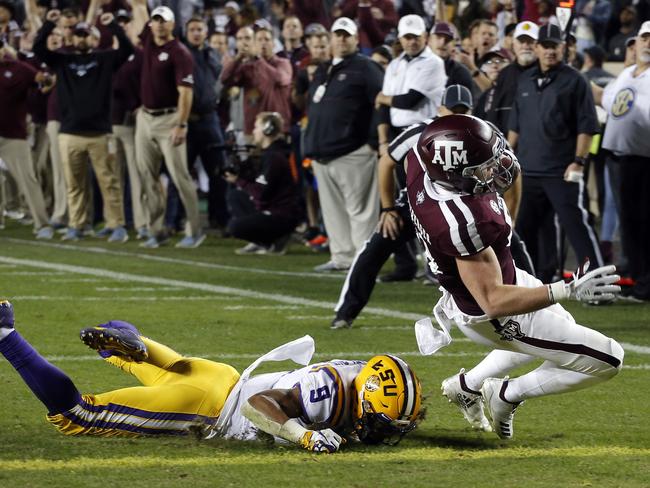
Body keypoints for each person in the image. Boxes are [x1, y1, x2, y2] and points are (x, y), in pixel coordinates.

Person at [407, 114, 623, 439]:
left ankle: (467, 386)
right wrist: (567, 288)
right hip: (492, 312)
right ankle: (507, 394)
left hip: (505, 278)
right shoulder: (463, 222)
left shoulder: (422, 161)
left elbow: (502, 169)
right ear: (454, 174)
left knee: (557, 335)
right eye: (481, 168)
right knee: (607, 358)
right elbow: (493, 300)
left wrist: (504, 226)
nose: (493, 170)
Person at [0, 300, 422, 452]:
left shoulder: (358, 375)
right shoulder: (325, 396)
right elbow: (262, 406)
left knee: (128, 353)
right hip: (213, 409)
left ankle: (131, 339)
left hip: (218, 377)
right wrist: (303, 435)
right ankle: (7, 335)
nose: (386, 431)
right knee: (78, 415)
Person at [331, 84, 474, 330]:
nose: (457, 115)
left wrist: (507, 215)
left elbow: (511, 171)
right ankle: (345, 313)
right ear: (440, 109)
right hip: (415, 204)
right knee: (372, 252)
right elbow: (386, 162)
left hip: (461, 206)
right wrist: (387, 209)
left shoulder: (480, 133)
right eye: (453, 110)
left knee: (509, 243)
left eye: (463, 110)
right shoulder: (419, 132)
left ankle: (532, 302)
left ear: (472, 111)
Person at [508, 23, 602, 283]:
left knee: (577, 227)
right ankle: (526, 283)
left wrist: (578, 162)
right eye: (546, 46)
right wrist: (504, 159)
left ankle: (596, 283)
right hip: (527, 170)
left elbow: (587, 125)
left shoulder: (575, 80)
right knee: (521, 229)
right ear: (537, 48)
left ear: (563, 48)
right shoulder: (524, 79)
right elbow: (515, 125)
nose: (550, 51)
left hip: (561, 170)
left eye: (555, 46)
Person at [34, 11, 132, 243]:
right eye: (77, 35)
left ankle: (116, 225)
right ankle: (77, 225)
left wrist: (114, 27)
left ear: (94, 39)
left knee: (109, 183)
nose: (81, 39)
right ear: (71, 38)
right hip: (69, 133)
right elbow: (39, 48)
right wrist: (49, 23)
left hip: (100, 133)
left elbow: (127, 50)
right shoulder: (62, 60)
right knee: (74, 184)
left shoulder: (106, 59)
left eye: (85, 35)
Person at [303, 17, 384, 272]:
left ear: (355, 38)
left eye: (346, 35)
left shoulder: (367, 67)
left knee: (360, 212)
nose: (341, 39)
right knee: (333, 211)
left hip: (353, 151)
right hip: (323, 153)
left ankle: (363, 262)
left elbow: (380, 104)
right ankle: (341, 257)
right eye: (337, 34)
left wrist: (373, 143)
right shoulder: (323, 69)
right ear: (330, 38)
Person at [130, 2, 205, 249]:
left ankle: (194, 231)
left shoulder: (180, 52)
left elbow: (186, 93)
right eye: (156, 20)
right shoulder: (150, 42)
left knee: (180, 176)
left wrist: (181, 124)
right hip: (145, 118)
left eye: (164, 20)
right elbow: (138, 7)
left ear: (173, 24)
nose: (159, 24)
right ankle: (157, 230)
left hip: (170, 119)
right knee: (147, 176)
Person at [600, 21, 650, 302]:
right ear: (636, 43)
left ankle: (645, 285)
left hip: (643, 160)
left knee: (642, 223)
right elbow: (609, 101)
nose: (649, 43)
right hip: (618, 158)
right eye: (645, 38)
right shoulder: (628, 73)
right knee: (629, 224)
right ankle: (639, 279)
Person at [224, 112, 303, 255]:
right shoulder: (271, 153)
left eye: (256, 127)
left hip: (282, 214)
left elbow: (261, 193)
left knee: (235, 227)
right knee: (235, 196)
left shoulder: (274, 156)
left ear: (267, 130)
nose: (253, 131)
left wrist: (238, 180)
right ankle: (261, 241)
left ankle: (272, 240)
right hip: (276, 208)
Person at [0, 38, 54, 240]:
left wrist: (45, 83)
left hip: (13, 135)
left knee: (28, 179)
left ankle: (42, 224)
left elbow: (44, 80)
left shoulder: (18, 69)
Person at [474, 21, 538, 134]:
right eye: (521, 41)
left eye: (530, 41)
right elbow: (494, 112)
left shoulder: (545, 74)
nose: (525, 46)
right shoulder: (505, 74)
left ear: (538, 45)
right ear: (514, 43)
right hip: (506, 143)